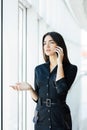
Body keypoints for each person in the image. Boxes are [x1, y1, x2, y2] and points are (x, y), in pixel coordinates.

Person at [10, 32, 77, 130]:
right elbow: (38, 99)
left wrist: (60, 64)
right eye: (44, 43)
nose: (47, 46)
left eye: (51, 42)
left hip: (59, 117)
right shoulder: (39, 69)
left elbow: (61, 91)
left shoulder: (71, 69)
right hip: (41, 117)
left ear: (59, 46)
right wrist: (29, 88)